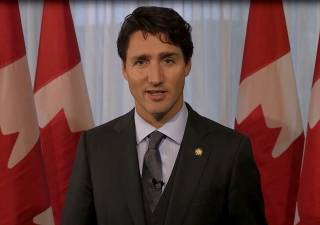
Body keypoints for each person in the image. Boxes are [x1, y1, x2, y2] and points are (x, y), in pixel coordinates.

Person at [61, 6, 267, 225]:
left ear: (187, 64)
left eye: (168, 60)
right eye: (141, 62)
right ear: (124, 69)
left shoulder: (230, 151)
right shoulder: (94, 148)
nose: (156, 78)